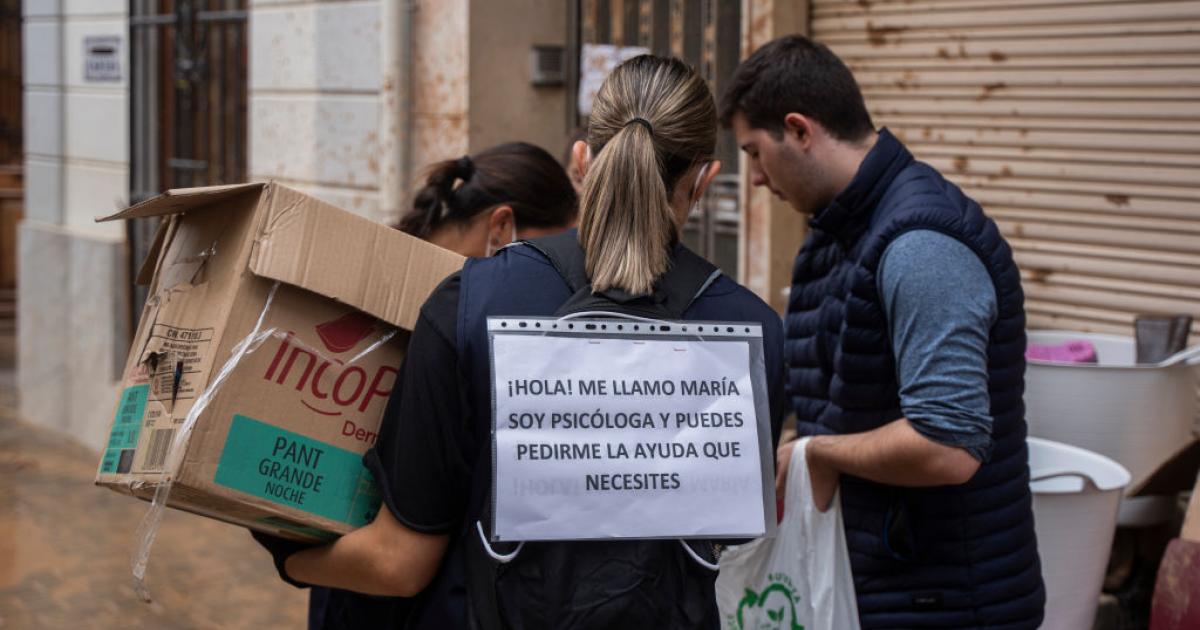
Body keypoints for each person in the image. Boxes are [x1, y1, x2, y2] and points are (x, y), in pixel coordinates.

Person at [272, 54, 787, 630]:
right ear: (705, 178)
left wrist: (285, 553)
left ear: (582, 160)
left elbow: (402, 560)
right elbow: (729, 539)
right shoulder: (755, 335)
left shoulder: (468, 305)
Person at [719, 35, 1045, 629]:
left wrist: (816, 453)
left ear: (798, 129)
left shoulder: (920, 245)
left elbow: (948, 446)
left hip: (945, 603)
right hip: (880, 584)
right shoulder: (837, 232)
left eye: (754, 152)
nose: (757, 178)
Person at [253, 141, 579, 630]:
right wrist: (292, 564)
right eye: (550, 251)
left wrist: (294, 556)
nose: (558, 278)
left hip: (355, 595)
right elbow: (398, 564)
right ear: (501, 228)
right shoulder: (460, 323)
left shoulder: (377, 290)